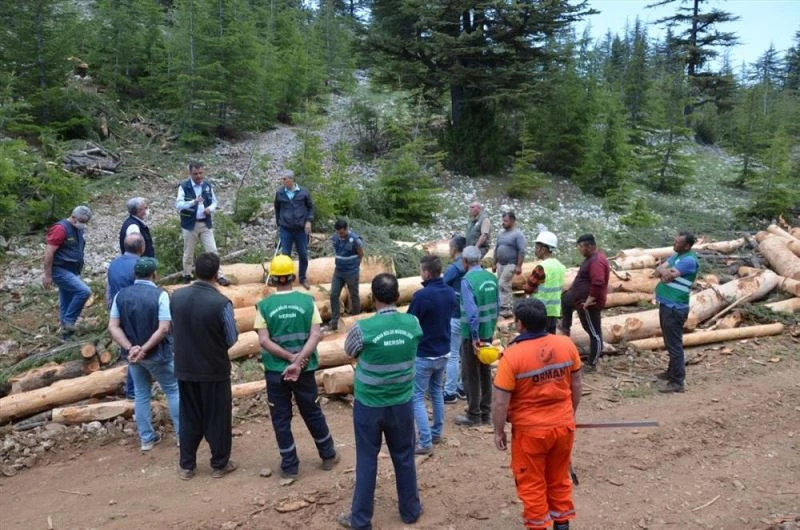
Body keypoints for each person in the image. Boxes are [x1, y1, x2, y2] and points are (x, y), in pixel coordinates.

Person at [338, 274, 423, 530]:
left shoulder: (363, 329)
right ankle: (410, 511)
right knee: (404, 456)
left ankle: (360, 519)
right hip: (401, 403)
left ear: (373, 297)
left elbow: (349, 351)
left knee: (367, 459)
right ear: (397, 296)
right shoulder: (412, 323)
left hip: (369, 406)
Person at [492, 298, 582, 530]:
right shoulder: (566, 345)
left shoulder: (512, 356)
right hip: (563, 427)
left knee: (532, 484)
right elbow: (576, 384)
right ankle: (562, 524)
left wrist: (499, 431)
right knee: (559, 478)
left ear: (520, 324)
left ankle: (538, 526)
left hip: (530, 433)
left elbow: (500, 402)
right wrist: (569, 414)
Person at [254, 254, 339, 478]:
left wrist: (288, 358)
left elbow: (264, 340)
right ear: (293, 277)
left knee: (281, 418)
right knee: (312, 412)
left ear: (273, 279)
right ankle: (328, 456)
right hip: (305, 370)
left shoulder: (263, 306)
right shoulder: (307, 302)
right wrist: (299, 360)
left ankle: (290, 466)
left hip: (276, 372)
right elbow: (315, 335)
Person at [170, 253, 238, 480]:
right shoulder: (221, 303)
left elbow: (171, 329)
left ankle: (186, 465)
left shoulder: (176, 297)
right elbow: (231, 338)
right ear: (217, 274)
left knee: (189, 416)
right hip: (214, 368)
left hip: (185, 366)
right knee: (217, 417)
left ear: (195, 271)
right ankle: (219, 463)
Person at [108, 257, 180, 452]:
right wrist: (145, 349)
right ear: (154, 274)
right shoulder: (160, 295)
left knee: (141, 394)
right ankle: (183, 435)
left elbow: (113, 326)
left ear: (135, 274)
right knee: (173, 390)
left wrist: (131, 348)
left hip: (134, 357)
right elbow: (164, 328)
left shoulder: (120, 295)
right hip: (158, 354)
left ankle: (146, 438)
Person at [408, 255, 456, 455]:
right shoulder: (450, 292)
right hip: (443, 352)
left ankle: (425, 441)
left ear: (427, 273)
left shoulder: (421, 296)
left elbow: (410, 321)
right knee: (436, 392)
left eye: (421, 270)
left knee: (417, 397)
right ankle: (436, 432)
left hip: (425, 354)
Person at [454, 246, 499, 427]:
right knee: (485, 371)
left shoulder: (467, 281)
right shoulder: (491, 278)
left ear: (465, 261)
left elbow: (472, 313)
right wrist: (491, 329)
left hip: (472, 335)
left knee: (470, 373)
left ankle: (473, 414)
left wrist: (474, 337)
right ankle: (486, 411)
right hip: (487, 331)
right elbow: (498, 306)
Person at [653, 232, 698, 393]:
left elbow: (666, 277)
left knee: (674, 345)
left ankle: (677, 381)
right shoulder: (677, 256)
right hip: (667, 304)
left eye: (678, 242)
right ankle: (671, 372)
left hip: (675, 307)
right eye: (675, 241)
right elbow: (658, 271)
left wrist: (664, 272)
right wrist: (663, 271)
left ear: (687, 246)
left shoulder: (688, 260)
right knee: (669, 342)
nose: (674, 244)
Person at [175, 161, 230, 286]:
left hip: (205, 223)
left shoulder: (207, 185)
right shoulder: (184, 186)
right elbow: (178, 205)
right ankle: (187, 275)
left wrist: (210, 209)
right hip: (190, 224)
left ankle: (219, 275)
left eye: (200, 173)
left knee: (212, 250)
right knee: (188, 252)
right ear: (190, 173)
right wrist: (193, 202)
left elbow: (214, 202)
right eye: (196, 174)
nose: (199, 176)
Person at [42, 205, 93, 339]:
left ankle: (65, 337)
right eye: (82, 221)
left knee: (66, 302)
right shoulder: (60, 229)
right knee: (84, 291)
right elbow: (49, 252)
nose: (83, 224)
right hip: (60, 269)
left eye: (85, 222)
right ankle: (69, 321)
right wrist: (47, 275)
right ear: (74, 217)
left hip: (72, 270)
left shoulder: (78, 229)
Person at [560, 234, 609, 371]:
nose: (579, 249)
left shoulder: (596, 261)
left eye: (581, 246)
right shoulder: (590, 259)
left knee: (594, 333)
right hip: (578, 299)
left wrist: (589, 301)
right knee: (566, 298)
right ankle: (565, 329)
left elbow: (598, 282)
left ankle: (592, 363)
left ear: (590, 246)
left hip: (588, 304)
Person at [107, 233, 146, 400]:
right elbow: (144, 291)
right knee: (137, 350)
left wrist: (111, 309)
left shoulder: (114, 264)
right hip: (135, 312)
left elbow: (109, 290)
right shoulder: (139, 266)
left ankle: (134, 388)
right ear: (141, 247)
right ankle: (134, 390)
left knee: (130, 349)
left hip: (118, 310)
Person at [274, 169, 314, 290]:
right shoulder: (280, 193)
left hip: (301, 229)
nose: (283, 181)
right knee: (285, 255)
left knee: (303, 254)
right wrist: (279, 223)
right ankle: (286, 279)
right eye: (282, 179)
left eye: (285, 179)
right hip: (286, 229)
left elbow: (311, 208)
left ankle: (302, 278)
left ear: (291, 179)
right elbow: (277, 208)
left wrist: (308, 221)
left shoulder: (303, 192)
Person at [523, 231, 566, 334]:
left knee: (539, 337)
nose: (535, 250)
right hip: (554, 310)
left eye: (537, 247)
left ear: (543, 249)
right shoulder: (560, 266)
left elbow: (528, 288)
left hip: (540, 310)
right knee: (550, 337)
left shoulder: (542, 267)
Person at [326, 218, 364, 332]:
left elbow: (361, 254)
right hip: (338, 272)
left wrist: (355, 266)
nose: (340, 235)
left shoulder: (355, 240)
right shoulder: (335, 238)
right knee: (334, 294)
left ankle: (355, 321)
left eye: (342, 232)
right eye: (338, 233)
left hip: (351, 272)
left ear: (346, 229)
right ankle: (335, 321)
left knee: (354, 296)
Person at [442, 235, 467, 403]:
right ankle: (463, 388)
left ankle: (450, 392)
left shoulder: (453, 269)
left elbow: (441, 286)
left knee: (452, 355)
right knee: (465, 354)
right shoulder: (471, 266)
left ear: (455, 249)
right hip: (469, 317)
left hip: (455, 315)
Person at [493, 211, 527, 318]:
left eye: (506, 221)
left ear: (512, 221)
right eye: (503, 220)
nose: (503, 223)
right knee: (500, 284)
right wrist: (494, 263)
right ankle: (502, 306)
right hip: (500, 264)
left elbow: (522, 251)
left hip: (511, 264)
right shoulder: (500, 234)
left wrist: (519, 266)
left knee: (503, 283)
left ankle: (506, 308)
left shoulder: (518, 235)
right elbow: (496, 249)